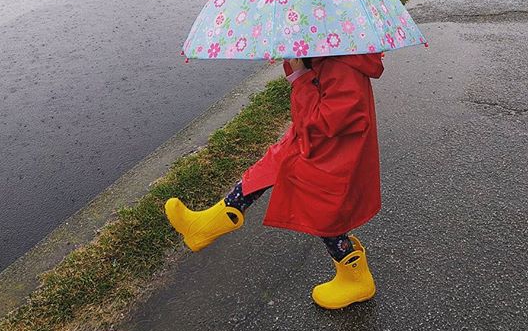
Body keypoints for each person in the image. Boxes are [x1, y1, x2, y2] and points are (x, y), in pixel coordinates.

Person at [164, 52, 384, 309]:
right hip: (314, 144)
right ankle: (207, 224)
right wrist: (299, 64)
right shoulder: (329, 54)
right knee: (266, 168)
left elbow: (325, 121)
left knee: (327, 214)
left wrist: (301, 78)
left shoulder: (343, 68)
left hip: (333, 156)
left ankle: (356, 278)